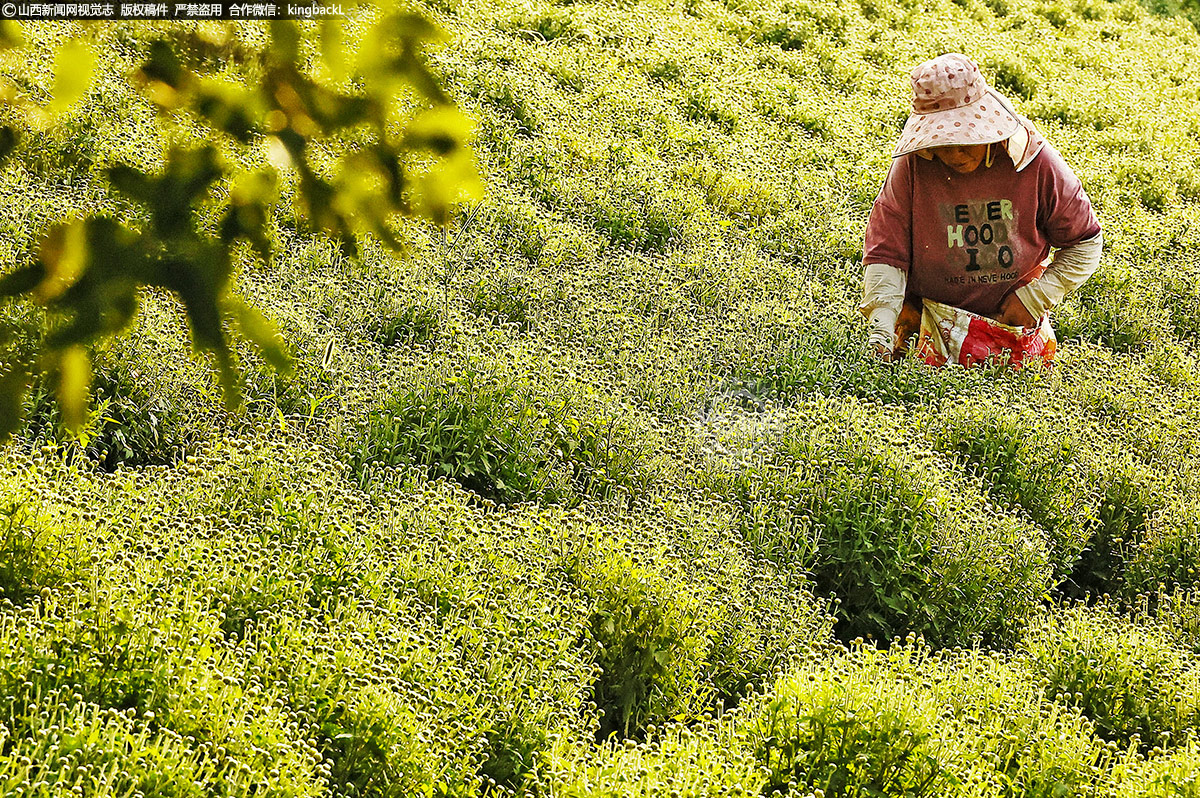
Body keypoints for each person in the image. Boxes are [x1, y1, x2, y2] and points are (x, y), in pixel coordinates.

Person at [860, 53, 1102, 365]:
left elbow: (1086, 241)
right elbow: (885, 251)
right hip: (926, 313)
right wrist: (882, 323)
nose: (954, 155)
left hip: (1009, 316)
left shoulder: (1035, 162)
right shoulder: (913, 167)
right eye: (941, 144)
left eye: (964, 141)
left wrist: (1035, 298)